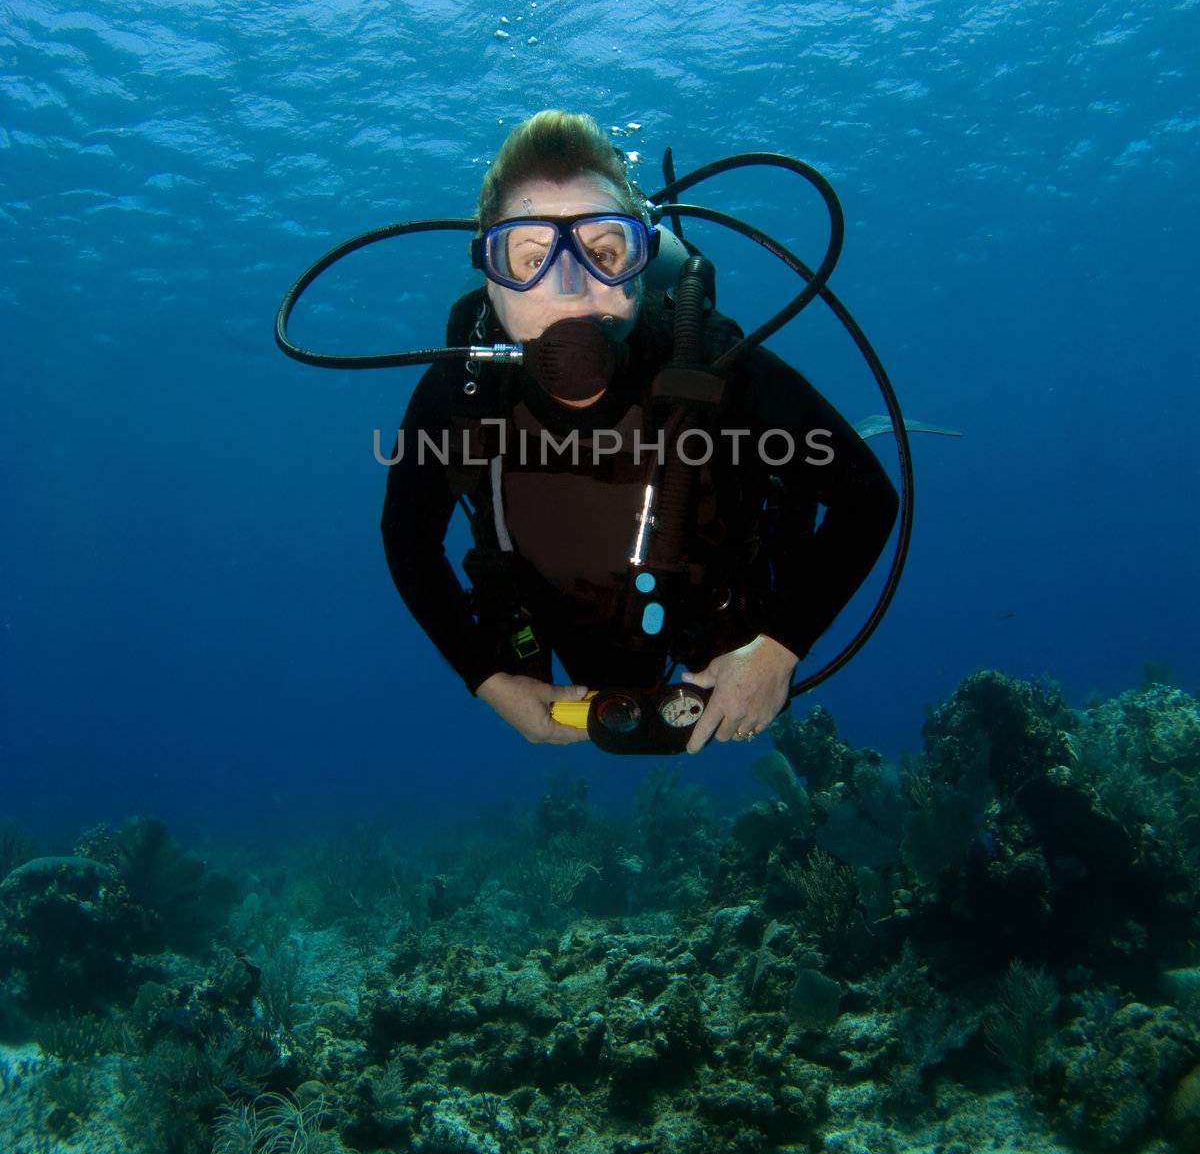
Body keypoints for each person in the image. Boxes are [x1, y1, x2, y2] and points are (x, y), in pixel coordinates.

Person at [380, 111, 898, 753]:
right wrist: (487, 678)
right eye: (530, 258)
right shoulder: (460, 395)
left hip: (722, 615)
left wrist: (778, 650)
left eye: (602, 252)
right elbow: (407, 538)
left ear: (640, 260)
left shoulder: (713, 365)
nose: (570, 290)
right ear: (491, 276)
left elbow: (867, 499)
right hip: (564, 629)